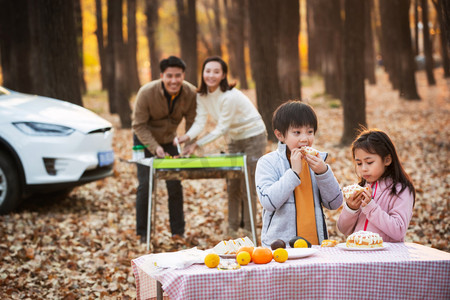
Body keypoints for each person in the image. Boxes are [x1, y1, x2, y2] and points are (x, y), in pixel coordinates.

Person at [176, 56, 267, 238]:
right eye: (208, 71)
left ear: (223, 75)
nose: (211, 75)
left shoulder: (229, 96)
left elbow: (221, 128)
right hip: (233, 140)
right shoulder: (201, 96)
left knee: (247, 184)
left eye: (216, 72)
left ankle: (250, 231)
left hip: (253, 138)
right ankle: (232, 229)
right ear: (202, 73)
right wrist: (186, 137)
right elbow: (200, 121)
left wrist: (197, 145)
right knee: (232, 183)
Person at [255, 100, 343, 248]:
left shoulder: (317, 162)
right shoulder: (268, 162)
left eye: (310, 132)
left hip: (316, 246)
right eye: (297, 132)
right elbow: (268, 202)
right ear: (280, 135)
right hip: (281, 248)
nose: (305, 138)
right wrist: (294, 173)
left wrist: (323, 172)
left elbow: (335, 203)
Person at [132, 56, 197, 242]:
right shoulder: (146, 93)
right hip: (144, 141)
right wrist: (155, 148)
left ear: (183, 75)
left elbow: (193, 122)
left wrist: (189, 145)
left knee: (175, 184)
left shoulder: (190, 93)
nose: (174, 80)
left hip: (170, 141)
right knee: (146, 185)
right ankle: (143, 233)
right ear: (161, 76)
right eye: (169, 76)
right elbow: (138, 125)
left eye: (178, 75)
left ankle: (178, 232)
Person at [337, 129, 415, 242]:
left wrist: (371, 208)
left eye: (369, 162)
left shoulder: (400, 190)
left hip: (387, 256)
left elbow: (398, 230)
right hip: (359, 253)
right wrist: (351, 208)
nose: (363, 168)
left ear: (387, 160)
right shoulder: (362, 188)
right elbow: (343, 229)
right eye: (359, 163)